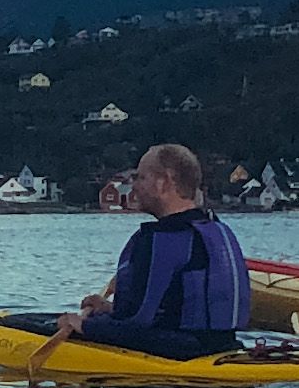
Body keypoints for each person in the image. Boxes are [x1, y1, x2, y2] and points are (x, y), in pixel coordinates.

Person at [50, 142, 250, 355]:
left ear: (163, 182)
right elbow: (174, 312)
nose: (134, 185)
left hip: (175, 354)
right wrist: (109, 310)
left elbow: (136, 329)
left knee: (33, 322)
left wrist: (83, 325)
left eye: (140, 177)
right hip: (224, 345)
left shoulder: (160, 240)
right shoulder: (218, 230)